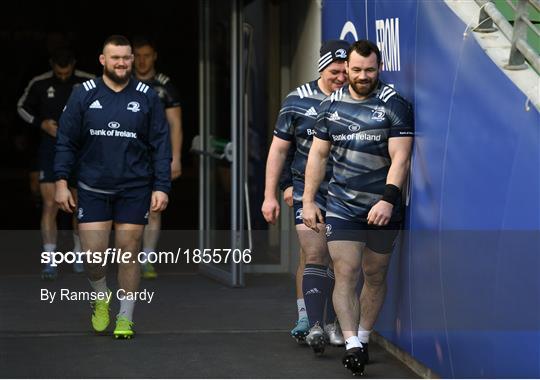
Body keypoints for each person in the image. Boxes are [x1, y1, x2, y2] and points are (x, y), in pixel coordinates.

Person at [302, 40, 414, 375]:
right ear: (346, 68)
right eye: (356, 70)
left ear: (378, 68)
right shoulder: (330, 106)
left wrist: (387, 200)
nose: (363, 76)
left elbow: (401, 158)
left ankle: (363, 336)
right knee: (347, 271)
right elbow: (318, 156)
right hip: (342, 206)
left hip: (383, 207)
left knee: (375, 273)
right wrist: (308, 200)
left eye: (369, 70)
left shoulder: (394, 104)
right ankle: (351, 344)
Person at [54, 35, 171, 339]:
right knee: (94, 256)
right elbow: (66, 141)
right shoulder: (83, 94)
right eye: (115, 57)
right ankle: (100, 295)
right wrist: (61, 182)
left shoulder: (147, 96)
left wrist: (161, 186)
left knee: (129, 252)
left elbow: (161, 145)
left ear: (133, 59)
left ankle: (125, 317)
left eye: (126, 57)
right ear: (102, 60)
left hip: (135, 187)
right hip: (93, 187)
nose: (122, 63)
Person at [262, 40, 350, 354]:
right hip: (306, 191)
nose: (341, 77)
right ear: (321, 68)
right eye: (334, 71)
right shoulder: (297, 100)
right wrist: (274, 191)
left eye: (345, 71)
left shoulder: (357, 100)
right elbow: (280, 149)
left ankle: (332, 321)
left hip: (346, 194)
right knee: (313, 254)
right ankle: (309, 320)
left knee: (337, 260)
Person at [17, 48, 95, 280]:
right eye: (58, 73)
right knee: (50, 204)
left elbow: (108, 104)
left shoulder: (88, 81)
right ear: (51, 65)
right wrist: (41, 124)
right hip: (49, 149)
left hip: (79, 150)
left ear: (73, 64)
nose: (63, 76)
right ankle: (50, 260)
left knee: (77, 205)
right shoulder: (39, 83)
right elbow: (21, 107)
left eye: (67, 72)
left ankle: (79, 254)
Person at [132, 35, 183, 280]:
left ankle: (147, 259)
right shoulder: (123, 82)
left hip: (157, 155)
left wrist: (176, 157)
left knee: (154, 208)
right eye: (138, 56)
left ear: (154, 57)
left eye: (147, 56)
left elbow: (175, 124)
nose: (142, 61)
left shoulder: (165, 86)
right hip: (127, 156)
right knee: (126, 209)